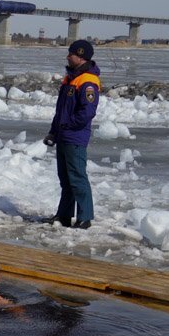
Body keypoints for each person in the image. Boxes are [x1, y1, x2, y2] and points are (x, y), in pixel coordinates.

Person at [44, 40, 101, 230]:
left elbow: (86, 112)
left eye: (71, 53)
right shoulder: (70, 78)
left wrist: (67, 126)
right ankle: (64, 216)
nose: (68, 56)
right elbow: (61, 110)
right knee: (65, 178)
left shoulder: (88, 81)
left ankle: (85, 217)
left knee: (77, 177)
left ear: (81, 56)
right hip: (63, 135)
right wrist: (54, 131)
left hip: (75, 136)